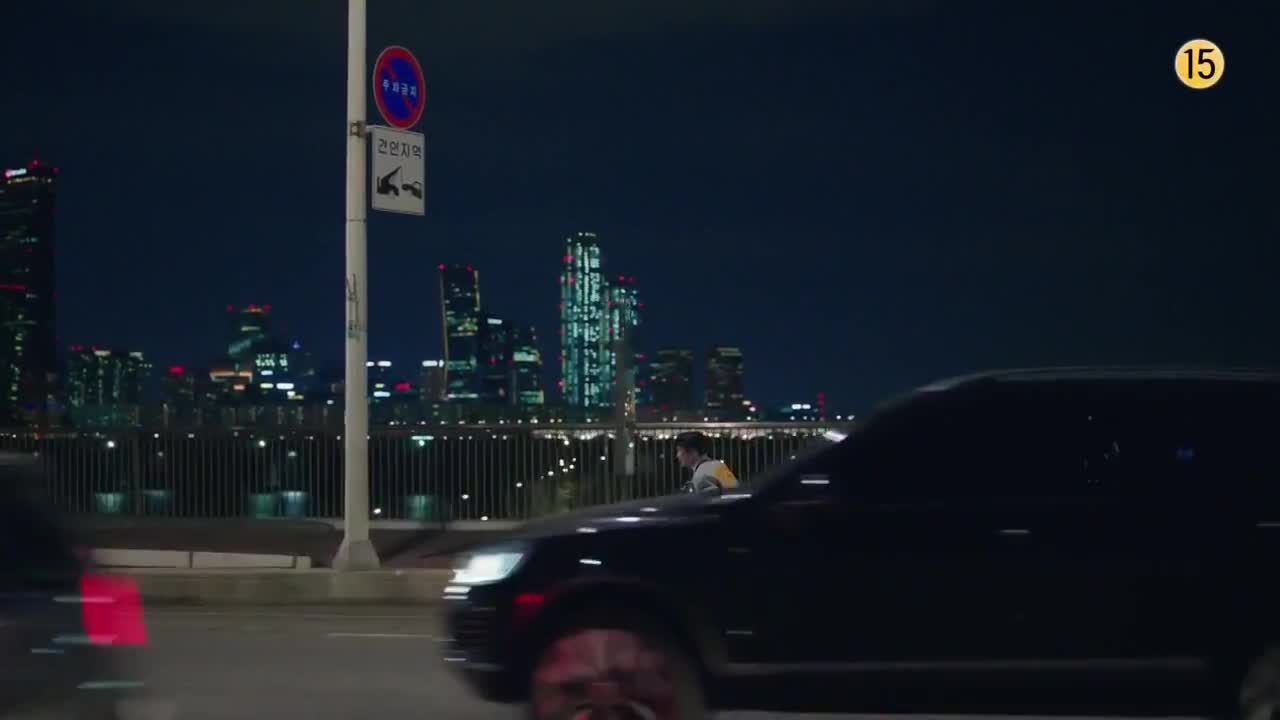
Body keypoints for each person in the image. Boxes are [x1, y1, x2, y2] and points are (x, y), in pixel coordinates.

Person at [674, 431, 739, 494]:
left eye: (679, 450)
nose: (677, 455)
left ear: (693, 452)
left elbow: (707, 500)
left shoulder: (701, 477)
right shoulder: (718, 464)